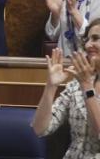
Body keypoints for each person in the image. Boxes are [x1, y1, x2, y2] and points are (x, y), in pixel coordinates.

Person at [32, 24, 100, 157]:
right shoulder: (77, 83)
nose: (88, 45)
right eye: (87, 39)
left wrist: (87, 87)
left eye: (96, 38)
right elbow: (39, 129)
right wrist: (51, 86)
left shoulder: (83, 82)